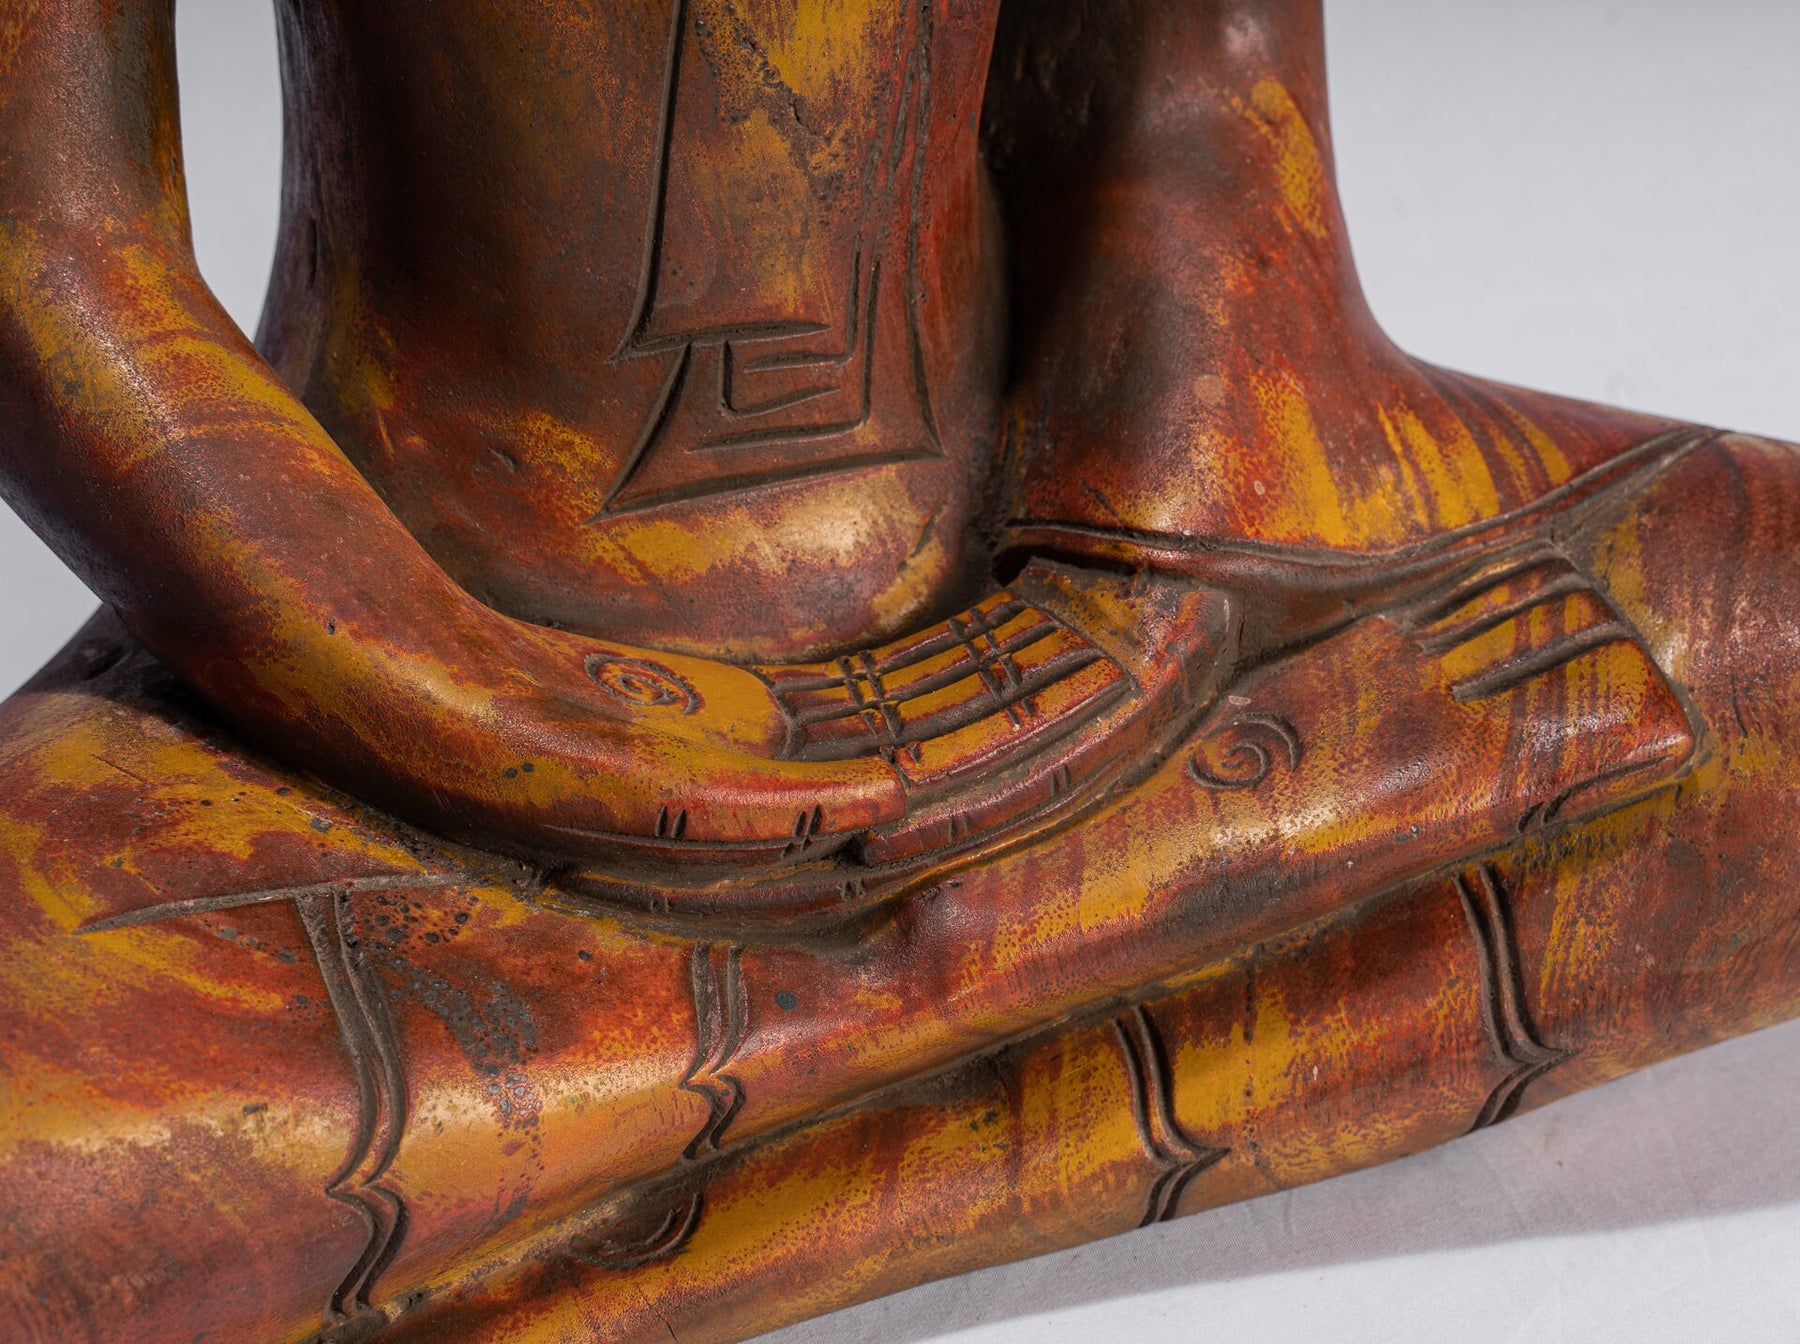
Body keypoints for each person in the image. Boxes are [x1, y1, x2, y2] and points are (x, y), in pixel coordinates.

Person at [3, 3, 1798, 1341]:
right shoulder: (443, 695)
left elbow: (1201, 102)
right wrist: (536, 729)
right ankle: (963, 975)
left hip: (1110, 604)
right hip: (385, 690)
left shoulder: (1123, 603)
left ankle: (664, 1154)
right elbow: (54, 257)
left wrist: (1129, 598)